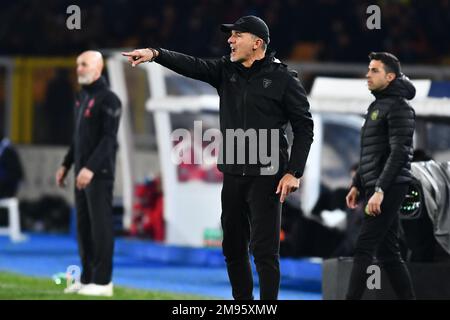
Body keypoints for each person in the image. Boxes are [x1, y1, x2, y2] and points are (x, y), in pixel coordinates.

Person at [123, 15, 314, 300]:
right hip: (234, 175)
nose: (230, 41)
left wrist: (294, 172)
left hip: (268, 178)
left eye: (237, 36)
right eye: (231, 35)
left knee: (264, 251)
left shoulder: (284, 79)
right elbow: (192, 65)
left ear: (257, 43)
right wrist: (156, 54)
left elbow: (304, 127)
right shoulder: (226, 71)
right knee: (233, 248)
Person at [345, 52, 416, 300]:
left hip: (389, 186)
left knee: (364, 246)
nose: (368, 74)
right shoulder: (378, 105)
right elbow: (372, 152)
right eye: (368, 69)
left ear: (390, 76)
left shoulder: (399, 108)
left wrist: (380, 190)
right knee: (389, 254)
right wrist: (357, 183)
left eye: (374, 70)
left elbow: (399, 154)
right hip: (376, 186)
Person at [55, 50, 122, 297]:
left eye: (83, 64)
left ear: (98, 67)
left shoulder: (110, 100)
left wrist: (90, 168)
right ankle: (87, 278)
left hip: (99, 174)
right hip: (81, 173)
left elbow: (109, 140)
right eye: (77, 64)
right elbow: (78, 139)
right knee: (83, 228)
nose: (79, 69)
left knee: (100, 228)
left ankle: (104, 282)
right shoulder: (81, 96)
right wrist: (66, 164)